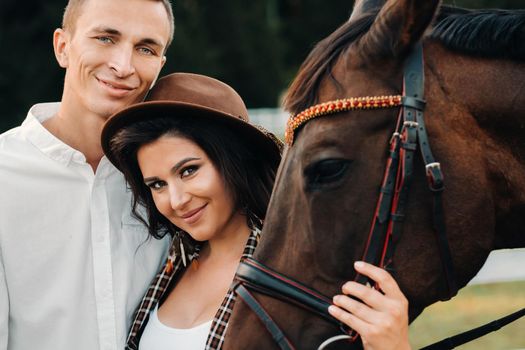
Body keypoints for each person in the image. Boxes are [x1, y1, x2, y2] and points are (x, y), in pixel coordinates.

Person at [101, 72, 411, 350]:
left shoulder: (300, 275)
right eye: (157, 185)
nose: (176, 199)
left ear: (233, 162)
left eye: (188, 171)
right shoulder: (162, 267)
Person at [0, 0, 175, 349]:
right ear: (62, 47)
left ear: (160, 65)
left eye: (145, 48)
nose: (123, 66)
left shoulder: (171, 180)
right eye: (106, 38)